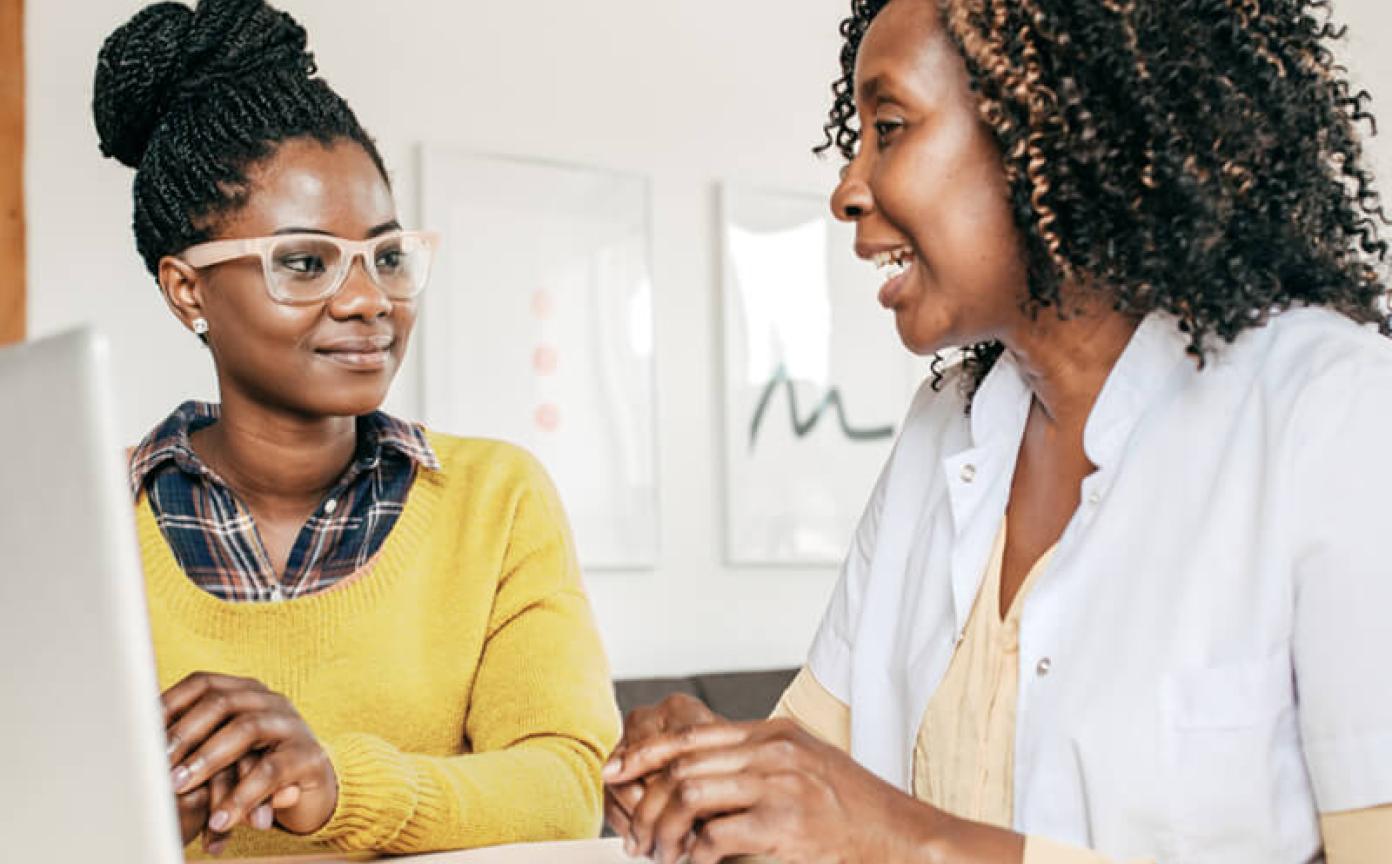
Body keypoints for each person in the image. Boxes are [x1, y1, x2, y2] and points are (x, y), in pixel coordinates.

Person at [603, 0, 1392, 862]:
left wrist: (919, 843)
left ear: (1044, 129)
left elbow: (871, 829)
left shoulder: (1333, 414)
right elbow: (816, 781)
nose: (847, 188)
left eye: (890, 127)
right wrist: (705, 768)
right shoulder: (943, 431)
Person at [94, 0, 618, 858]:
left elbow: (565, 788)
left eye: (386, 255)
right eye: (304, 263)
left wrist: (335, 783)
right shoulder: (83, 525)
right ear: (187, 290)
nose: (370, 297)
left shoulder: (495, 500)